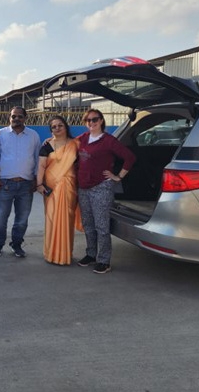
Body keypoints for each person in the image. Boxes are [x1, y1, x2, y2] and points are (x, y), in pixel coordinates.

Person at [75, 109, 136, 274]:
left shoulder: (109, 141)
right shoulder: (82, 139)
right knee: (88, 224)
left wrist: (118, 176)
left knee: (101, 225)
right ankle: (91, 254)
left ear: (101, 121)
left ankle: (104, 260)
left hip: (100, 187)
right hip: (83, 188)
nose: (91, 123)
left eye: (94, 119)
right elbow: (65, 146)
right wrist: (49, 142)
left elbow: (129, 157)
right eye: (87, 120)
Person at [0, 106, 41, 258]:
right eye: (13, 116)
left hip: (26, 184)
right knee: (1, 218)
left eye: (20, 116)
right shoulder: (0, 134)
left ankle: (16, 244)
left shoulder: (33, 136)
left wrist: (36, 180)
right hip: (5, 184)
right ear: (9, 118)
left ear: (25, 118)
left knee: (22, 219)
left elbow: (38, 159)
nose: (16, 119)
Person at [36, 115, 79, 266]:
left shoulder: (75, 144)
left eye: (60, 125)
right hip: (51, 187)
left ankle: (65, 254)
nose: (57, 128)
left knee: (67, 219)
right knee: (52, 218)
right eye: (54, 126)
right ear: (50, 130)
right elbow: (41, 166)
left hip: (69, 186)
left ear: (66, 126)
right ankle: (51, 254)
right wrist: (39, 184)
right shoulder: (46, 146)